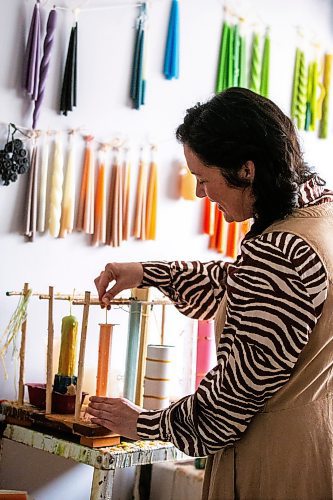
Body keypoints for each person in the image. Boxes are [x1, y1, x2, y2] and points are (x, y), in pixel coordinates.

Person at [87, 87, 333, 500]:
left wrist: (142, 423)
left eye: (203, 179)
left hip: (274, 465)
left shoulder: (279, 253)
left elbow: (227, 406)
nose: (201, 193)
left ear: (246, 169)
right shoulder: (320, 217)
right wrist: (148, 273)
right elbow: (244, 285)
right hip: (315, 438)